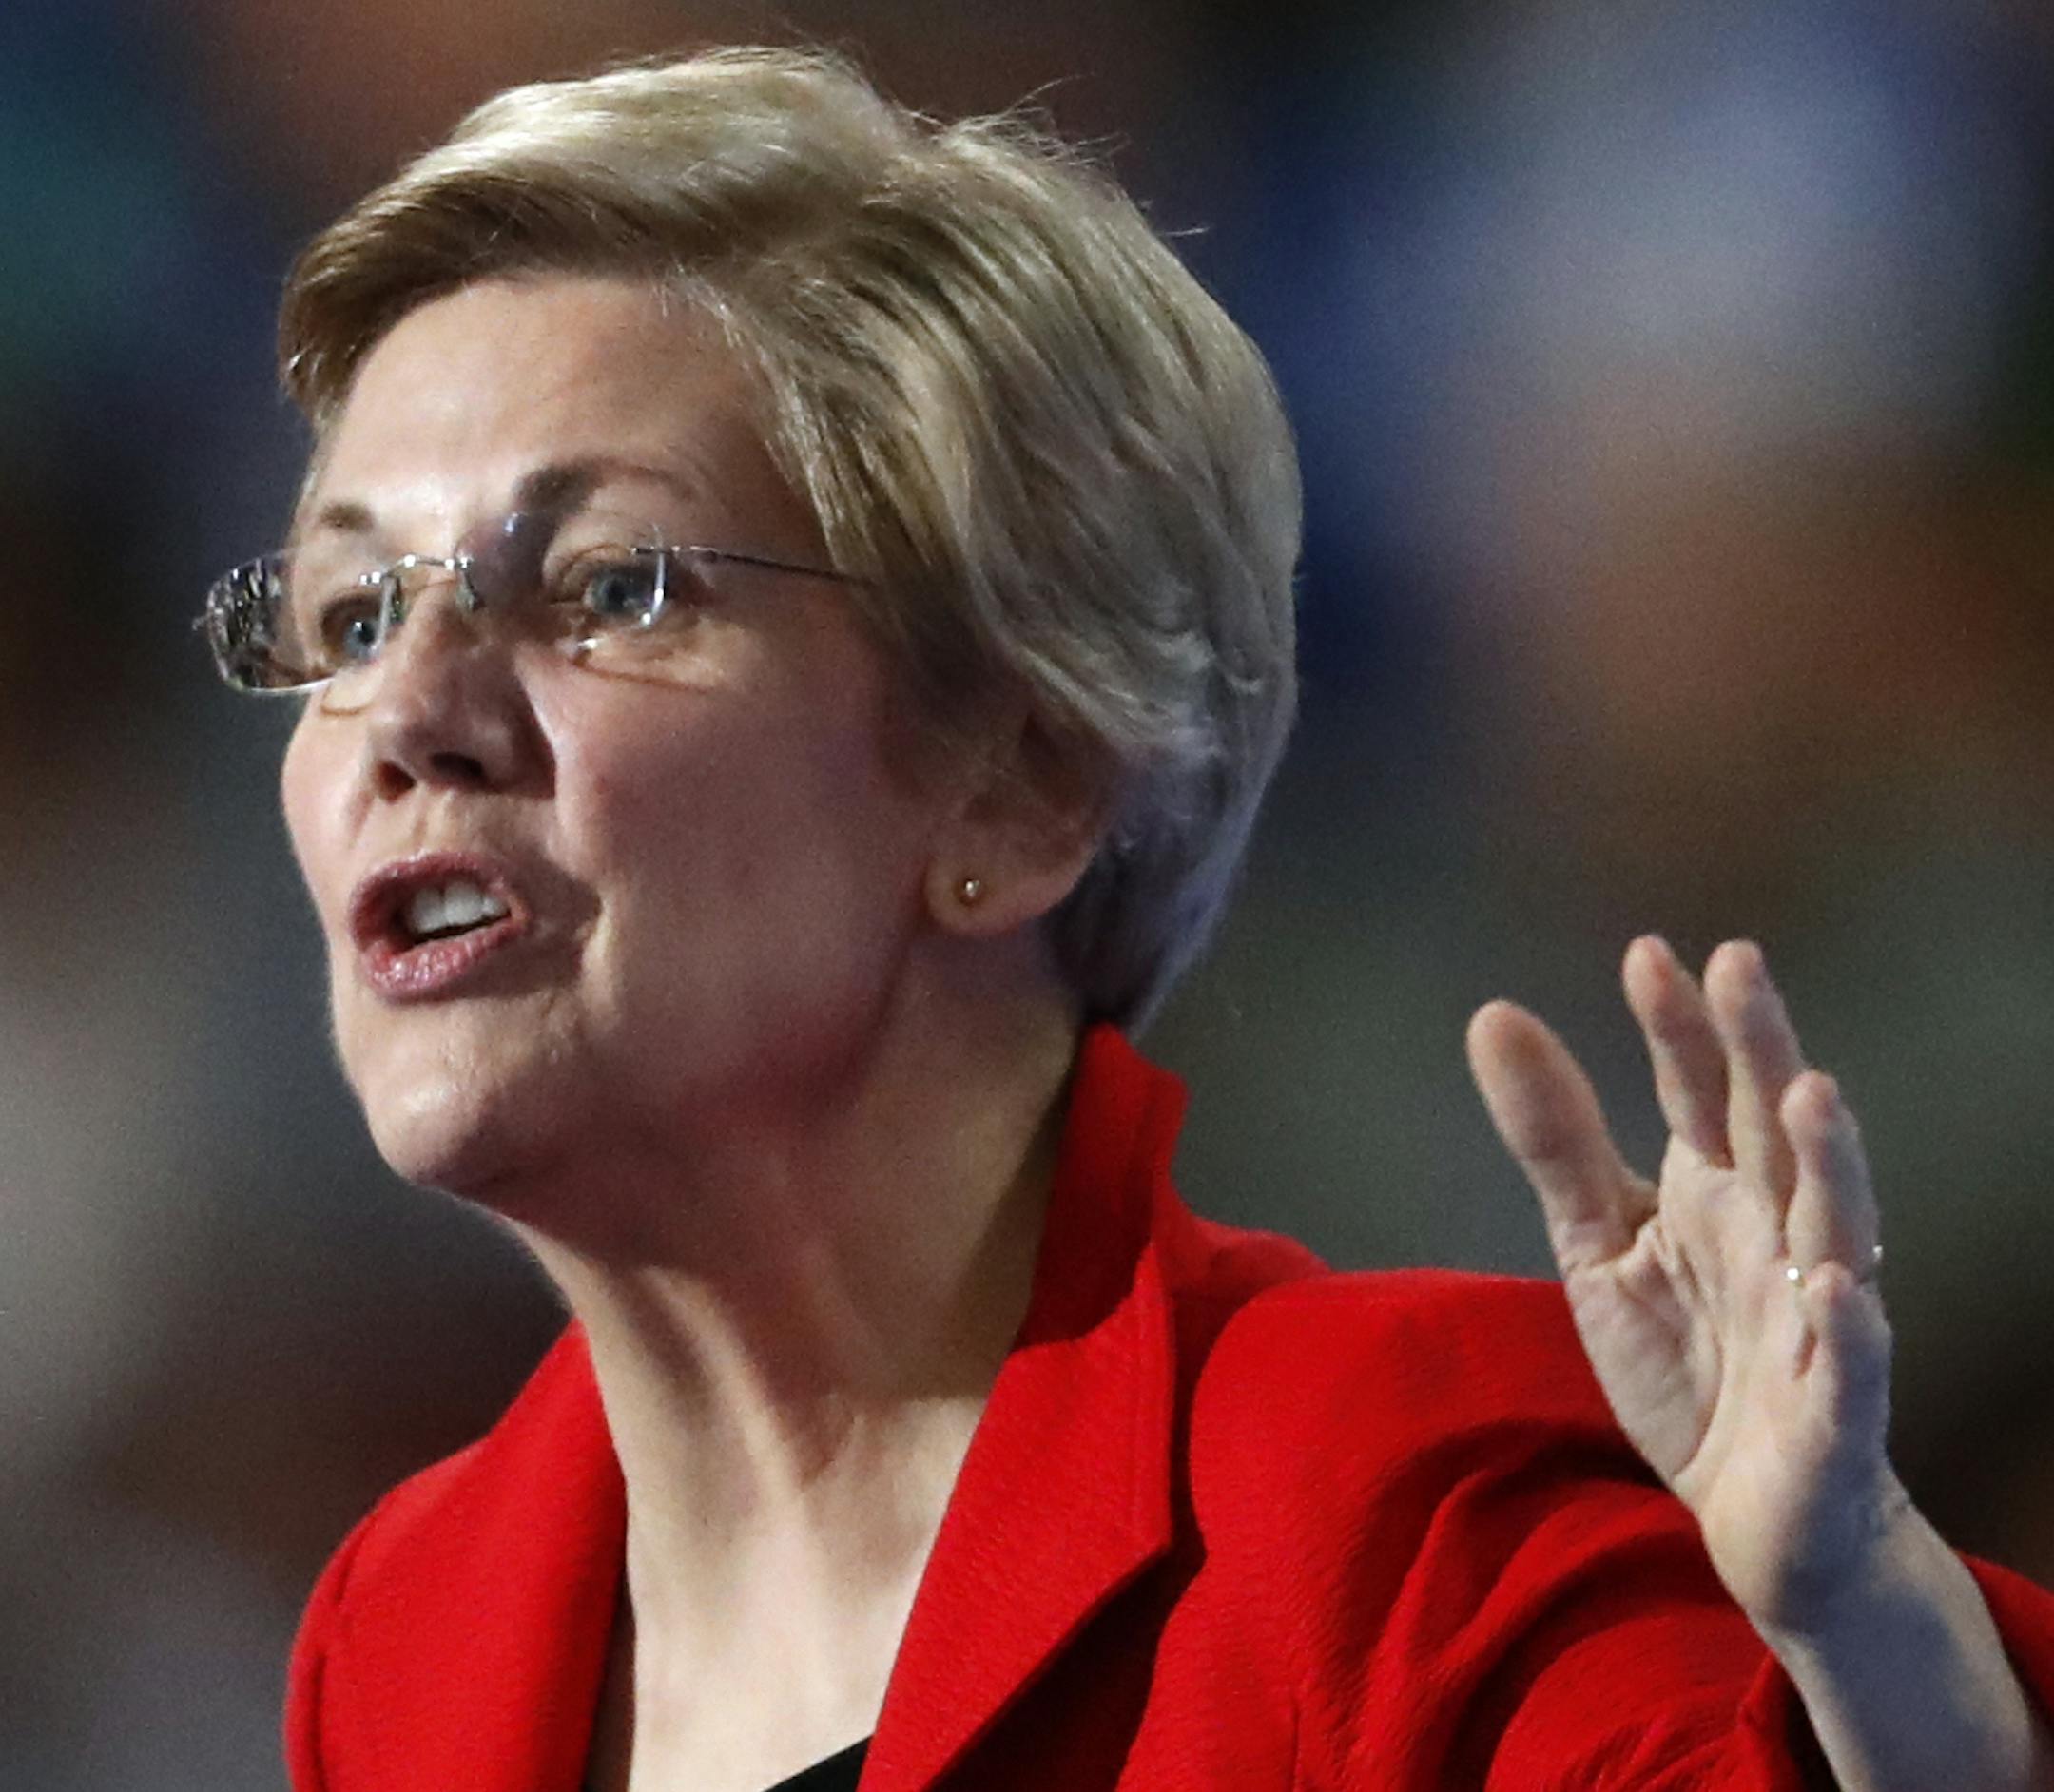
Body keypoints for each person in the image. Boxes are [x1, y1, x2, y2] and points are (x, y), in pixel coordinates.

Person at [198, 45, 2054, 1792]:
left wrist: (1870, 1645)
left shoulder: (1407, 1506)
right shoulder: (407, 1629)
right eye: (353, 615)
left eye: (606, 580)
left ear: (1014, 782)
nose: (411, 716)